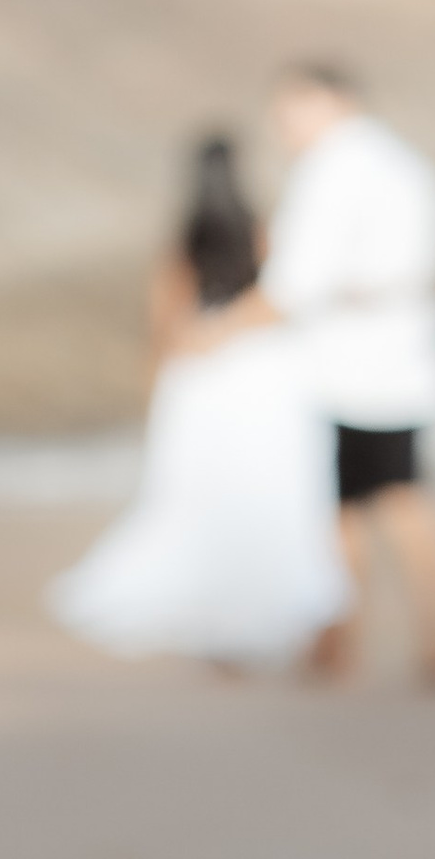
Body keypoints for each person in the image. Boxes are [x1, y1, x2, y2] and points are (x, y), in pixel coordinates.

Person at [48, 135, 352, 673]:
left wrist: (159, 383)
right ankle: (292, 623)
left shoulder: (184, 241)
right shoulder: (263, 232)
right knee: (270, 500)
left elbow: (164, 320)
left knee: (205, 501)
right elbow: (283, 299)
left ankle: (222, 634)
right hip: (264, 376)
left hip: (202, 382)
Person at [262, 59, 435, 690]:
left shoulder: (331, 169)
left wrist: (218, 333)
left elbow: (295, 282)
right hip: (407, 354)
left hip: (346, 365)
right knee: (404, 495)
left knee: (340, 504)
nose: (283, 125)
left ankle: (339, 640)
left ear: (333, 102)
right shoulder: (407, 164)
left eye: (292, 110)